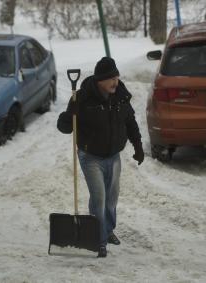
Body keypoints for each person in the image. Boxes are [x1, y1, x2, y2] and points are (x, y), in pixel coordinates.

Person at [57, 57, 144, 258]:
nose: (115, 82)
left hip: (113, 156)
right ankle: (98, 238)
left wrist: (138, 145)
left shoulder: (120, 96)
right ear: (100, 81)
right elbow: (65, 128)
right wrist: (68, 117)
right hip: (91, 156)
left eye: (117, 77)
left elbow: (130, 122)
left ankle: (108, 229)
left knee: (112, 199)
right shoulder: (82, 98)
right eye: (111, 78)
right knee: (99, 198)